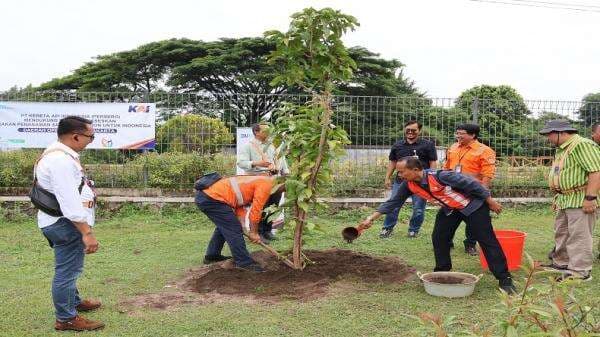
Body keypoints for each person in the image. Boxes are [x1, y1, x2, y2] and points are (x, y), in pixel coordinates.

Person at [359, 157, 516, 294]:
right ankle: (442, 272)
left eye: (401, 172)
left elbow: (472, 184)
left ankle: (505, 279)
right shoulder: (409, 184)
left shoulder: (441, 175)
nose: (399, 175)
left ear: (415, 169)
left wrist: (490, 201)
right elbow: (393, 202)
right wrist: (371, 219)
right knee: (439, 238)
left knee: (487, 240)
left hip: (473, 207)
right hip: (450, 209)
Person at [34, 116, 104, 331]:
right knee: (67, 271)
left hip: (56, 221)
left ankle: (73, 302)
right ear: (75, 136)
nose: (91, 140)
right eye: (90, 137)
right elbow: (69, 200)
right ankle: (66, 319)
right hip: (65, 224)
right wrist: (86, 232)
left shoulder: (56, 154)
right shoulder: (61, 161)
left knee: (69, 267)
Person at [539, 120, 600, 281]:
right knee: (562, 233)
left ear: (562, 132)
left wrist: (590, 197)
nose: (548, 138)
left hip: (581, 198)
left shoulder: (582, 145)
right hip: (565, 199)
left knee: (579, 236)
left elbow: (596, 172)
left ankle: (580, 271)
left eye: (549, 134)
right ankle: (562, 263)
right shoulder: (563, 149)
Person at [195, 175, 280, 272]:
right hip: (211, 198)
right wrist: (253, 232)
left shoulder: (262, 180)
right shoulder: (266, 185)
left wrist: (242, 223)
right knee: (233, 228)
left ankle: (212, 255)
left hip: (208, 197)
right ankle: (244, 262)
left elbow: (239, 202)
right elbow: (256, 211)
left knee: (226, 226)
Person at [443, 123, 496, 256]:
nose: (458, 136)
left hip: (473, 191)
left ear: (473, 135)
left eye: (462, 133)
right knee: (447, 217)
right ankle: (446, 243)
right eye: (457, 133)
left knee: (473, 219)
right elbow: (447, 167)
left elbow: (487, 174)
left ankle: (470, 244)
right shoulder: (453, 147)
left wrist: (483, 193)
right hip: (453, 190)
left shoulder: (485, 151)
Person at [380, 120, 437, 238]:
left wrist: (432, 179)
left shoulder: (428, 145)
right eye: (408, 130)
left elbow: (432, 163)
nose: (410, 132)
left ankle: (413, 230)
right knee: (394, 205)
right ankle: (387, 228)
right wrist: (387, 177)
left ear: (419, 131)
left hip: (420, 183)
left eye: (413, 130)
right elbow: (393, 162)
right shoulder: (397, 145)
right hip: (401, 181)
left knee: (418, 208)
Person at [237, 123, 289, 242]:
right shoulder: (248, 146)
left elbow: (281, 158)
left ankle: (267, 230)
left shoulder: (272, 146)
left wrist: (285, 172)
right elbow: (241, 162)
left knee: (273, 205)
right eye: (265, 130)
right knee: (261, 206)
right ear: (256, 132)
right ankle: (258, 232)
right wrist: (256, 163)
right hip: (259, 179)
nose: (269, 133)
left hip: (275, 179)